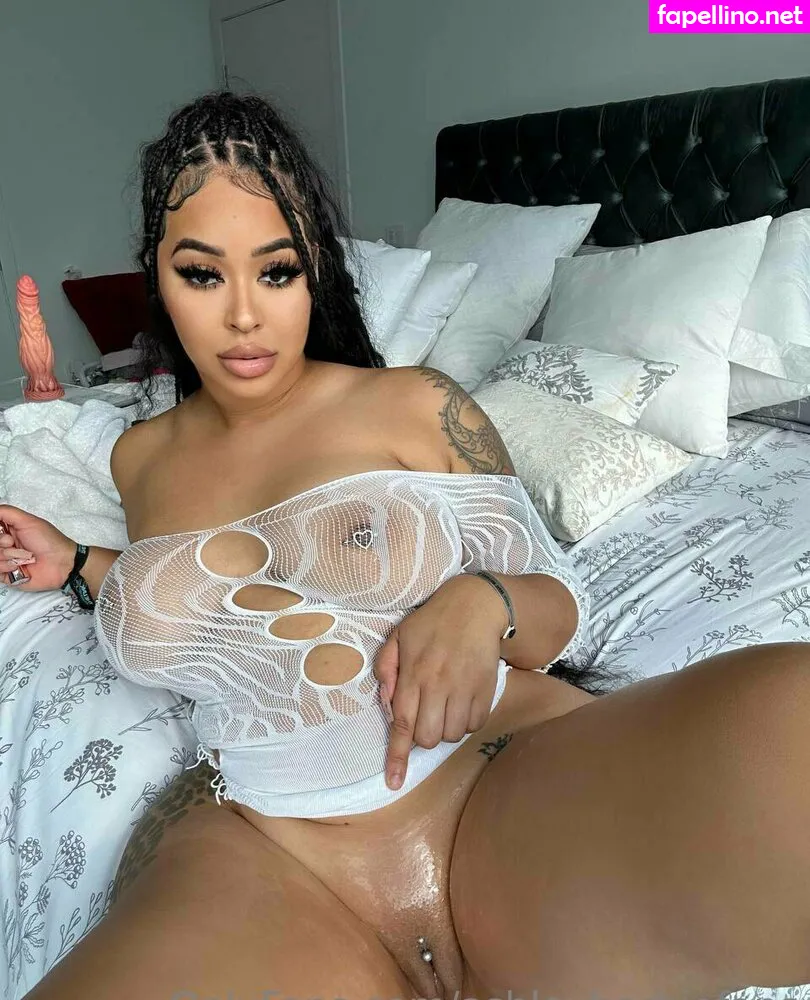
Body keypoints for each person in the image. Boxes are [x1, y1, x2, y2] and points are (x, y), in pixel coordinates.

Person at [5, 92, 810, 1000]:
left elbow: (558, 605)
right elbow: (216, 582)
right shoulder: (140, 456)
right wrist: (80, 563)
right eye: (202, 274)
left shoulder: (416, 403)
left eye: (276, 271)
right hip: (270, 846)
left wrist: (483, 602)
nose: (243, 316)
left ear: (313, 270)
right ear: (158, 276)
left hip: (497, 775)